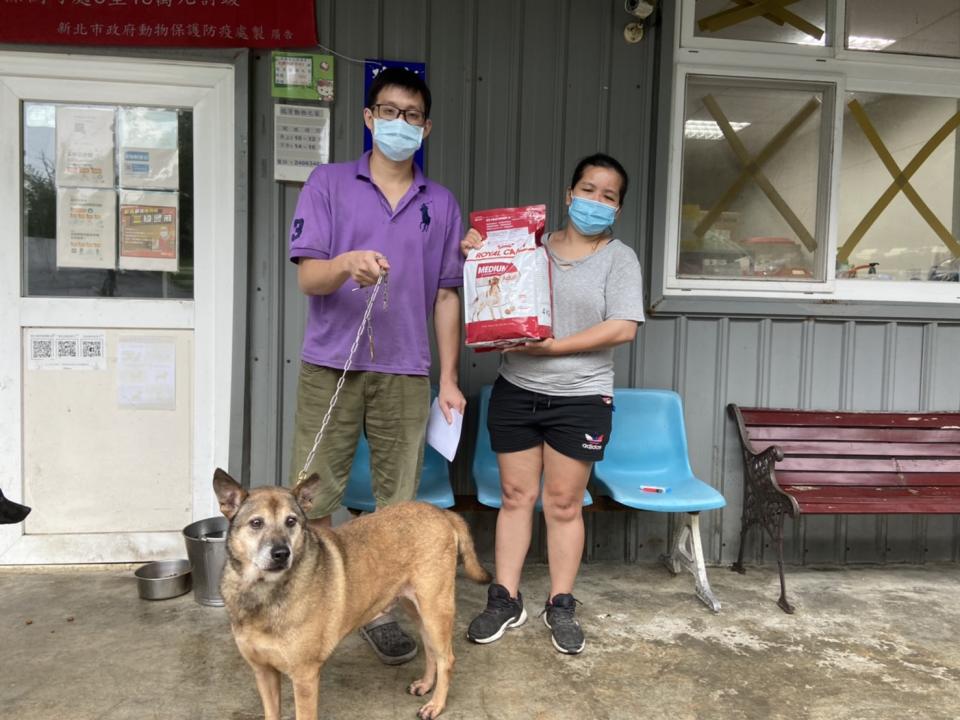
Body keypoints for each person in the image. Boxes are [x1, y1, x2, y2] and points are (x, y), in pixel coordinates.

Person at [287, 67, 466, 665]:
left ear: (426, 127)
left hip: (406, 370)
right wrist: (346, 264)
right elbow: (311, 277)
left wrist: (446, 376)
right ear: (368, 119)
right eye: (388, 112)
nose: (399, 124)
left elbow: (446, 294)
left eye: (411, 116)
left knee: (398, 501)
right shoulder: (328, 183)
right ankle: (306, 604)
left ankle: (380, 610)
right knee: (313, 493)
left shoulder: (440, 204)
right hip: (330, 364)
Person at [462, 153, 645, 655]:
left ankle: (560, 602)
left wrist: (553, 348)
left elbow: (622, 326)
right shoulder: (526, 249)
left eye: (608, 196)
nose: (596, 202)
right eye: (588, 190)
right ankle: (505, 598)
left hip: (582, 396)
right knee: (515, 498)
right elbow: (491, 297)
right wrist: (478, 254)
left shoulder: (619, 259)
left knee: (564, 505)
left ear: (618, 209)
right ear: (569, 194)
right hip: (517, 390)